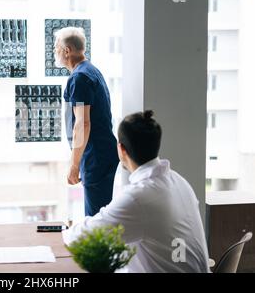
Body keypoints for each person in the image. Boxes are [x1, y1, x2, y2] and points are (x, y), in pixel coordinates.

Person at [62, 111, 210, 273]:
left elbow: (85, 237)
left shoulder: (138, 198)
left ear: (121, 149)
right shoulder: (179, 181)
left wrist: (66, 230)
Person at [54, 27, 119, 217]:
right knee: (100, 216)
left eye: (56, 47)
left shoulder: (80, 78)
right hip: (100, 154)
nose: (54, 52)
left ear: (67, 50)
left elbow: (82, 124)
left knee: (96, 221)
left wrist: (74, 165)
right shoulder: (90, 71)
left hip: (95, 157)